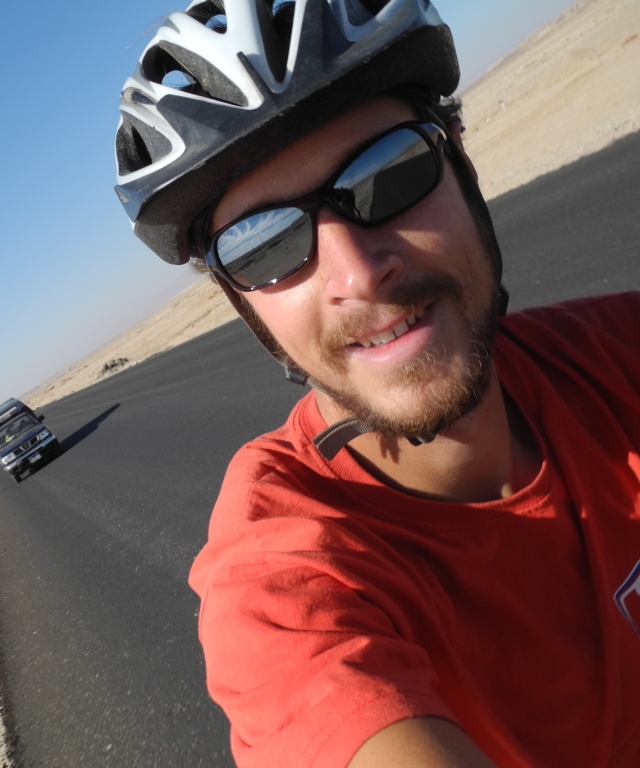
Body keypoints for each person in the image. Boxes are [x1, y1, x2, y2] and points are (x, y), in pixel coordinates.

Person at [113, 1, 640, 766]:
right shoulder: (286, 579)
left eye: (388, 174)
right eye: (264, 246)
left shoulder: (615, 353)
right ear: (243, 303)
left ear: (462, 168)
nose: (358, 274)